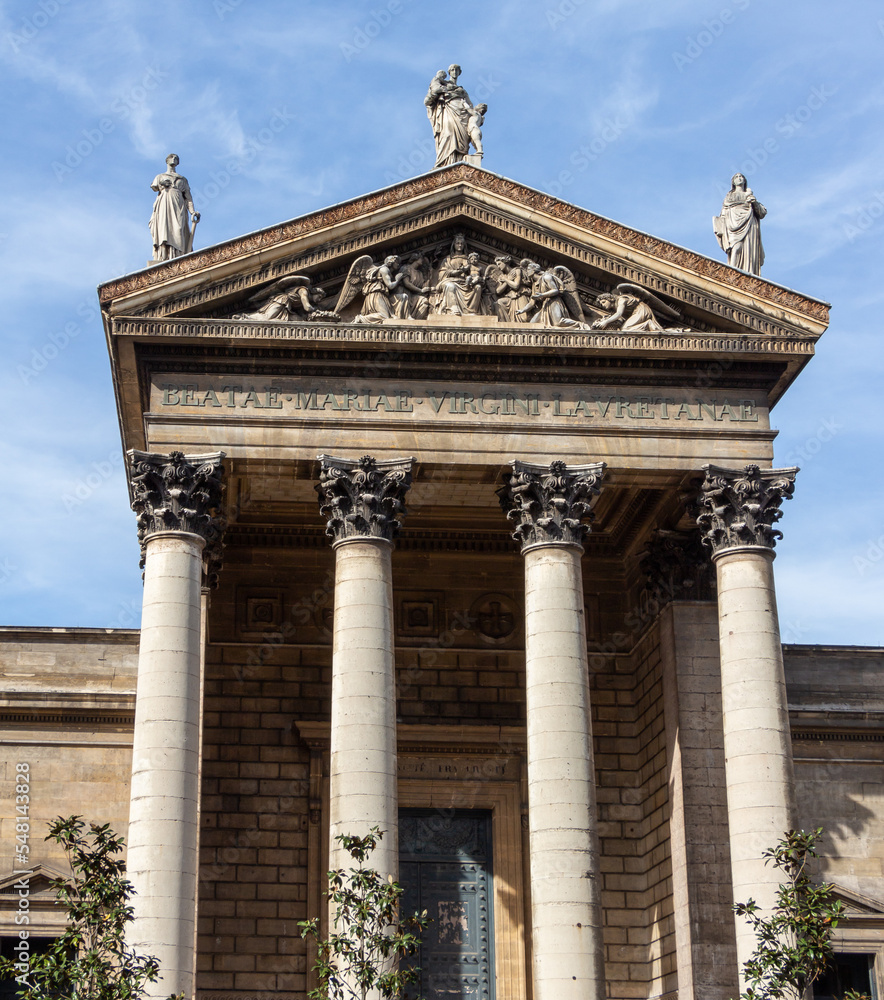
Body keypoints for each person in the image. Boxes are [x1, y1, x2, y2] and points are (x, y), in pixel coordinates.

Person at [713, 173, 766, 274]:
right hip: (733, 224)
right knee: (736, 248)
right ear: (733, 182)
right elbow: (724, 212)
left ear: (745, 181)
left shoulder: (749, 195)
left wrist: (754, 202)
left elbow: (762, 213)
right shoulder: (729, 197)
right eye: (736, 177)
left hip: (749, 223)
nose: (739, 178)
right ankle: (732, 273)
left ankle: (748, 273)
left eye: (741, 177)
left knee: (748, 251)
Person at [149, 154, 199, 261]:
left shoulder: (182, 179)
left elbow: (188, 198)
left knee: (179, 229)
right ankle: (164, 254)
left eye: (176, 158)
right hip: (164, 203)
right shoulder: (160, 177)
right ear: (167, 161)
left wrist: (192, 212)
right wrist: (162, 184)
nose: (174, 159)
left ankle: (178, 255)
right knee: (164, 228)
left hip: (178, 205)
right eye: (171, 157)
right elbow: (154, 187)